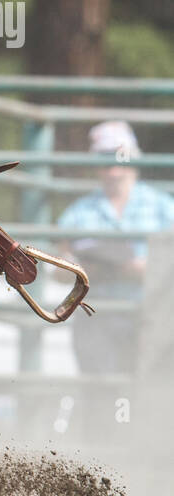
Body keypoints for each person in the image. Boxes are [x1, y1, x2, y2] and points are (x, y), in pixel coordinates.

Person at [57, 120, 174, 375]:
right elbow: (58, 266)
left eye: (118, 157)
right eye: (105, 160)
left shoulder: (164, 207)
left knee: (148, 385)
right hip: (98, 318)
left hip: (151, 315)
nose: (113, 169)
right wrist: (85, 270)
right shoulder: (78, 213)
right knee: (100, 388)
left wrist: (146, 270)